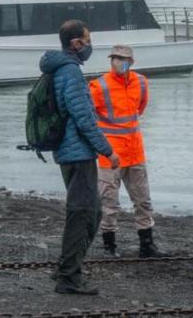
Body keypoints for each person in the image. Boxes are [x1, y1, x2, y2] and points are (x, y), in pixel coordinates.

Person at [40, 20, 120, 295]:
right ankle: (68, 277)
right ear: (76, 43)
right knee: (82, 213)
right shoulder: (70, 72)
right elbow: (84, 117)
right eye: (87, 40)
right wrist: (107, 150)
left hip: (67, 150)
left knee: (93, 211)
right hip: (77, 153)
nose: (90, 46)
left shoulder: (58, 69)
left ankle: (66, 266)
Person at [90, 44, 169, 259]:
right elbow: (89, 119)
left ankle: (147, 245)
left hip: (135, 153)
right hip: (111, 156)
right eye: (114, 57)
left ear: (131, 62)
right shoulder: (99, 86)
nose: (116, 61)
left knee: (143, 200)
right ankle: (110, 247)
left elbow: (139, 110)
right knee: (109, 204)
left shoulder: (141, 83)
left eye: (121, 58)